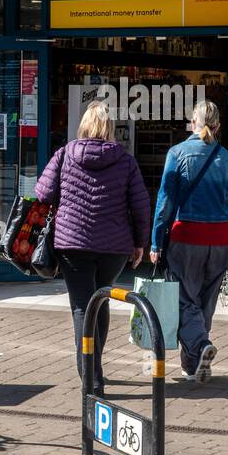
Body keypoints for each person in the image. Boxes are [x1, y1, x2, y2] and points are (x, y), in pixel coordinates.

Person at [34, 102, 149, 395]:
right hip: (114, 247)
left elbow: (42, 194)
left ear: (83, 125)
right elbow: (140, 206)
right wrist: (140, 243)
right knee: (103, 299)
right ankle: (95, 366)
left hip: (73, 245)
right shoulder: (125, 161)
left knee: (81, 308)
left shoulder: (64, 155)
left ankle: (91, 376)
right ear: (110, 129)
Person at [150, 99, 228, 383]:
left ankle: (200, 346)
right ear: (217, 126)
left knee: (182, 301)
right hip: (222, 239)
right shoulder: (227, 159)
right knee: (205, 302)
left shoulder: (177, 154)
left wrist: (156, 242)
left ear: (194, 123)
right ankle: (192, 367)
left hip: (187, 236)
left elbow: (165, 202)